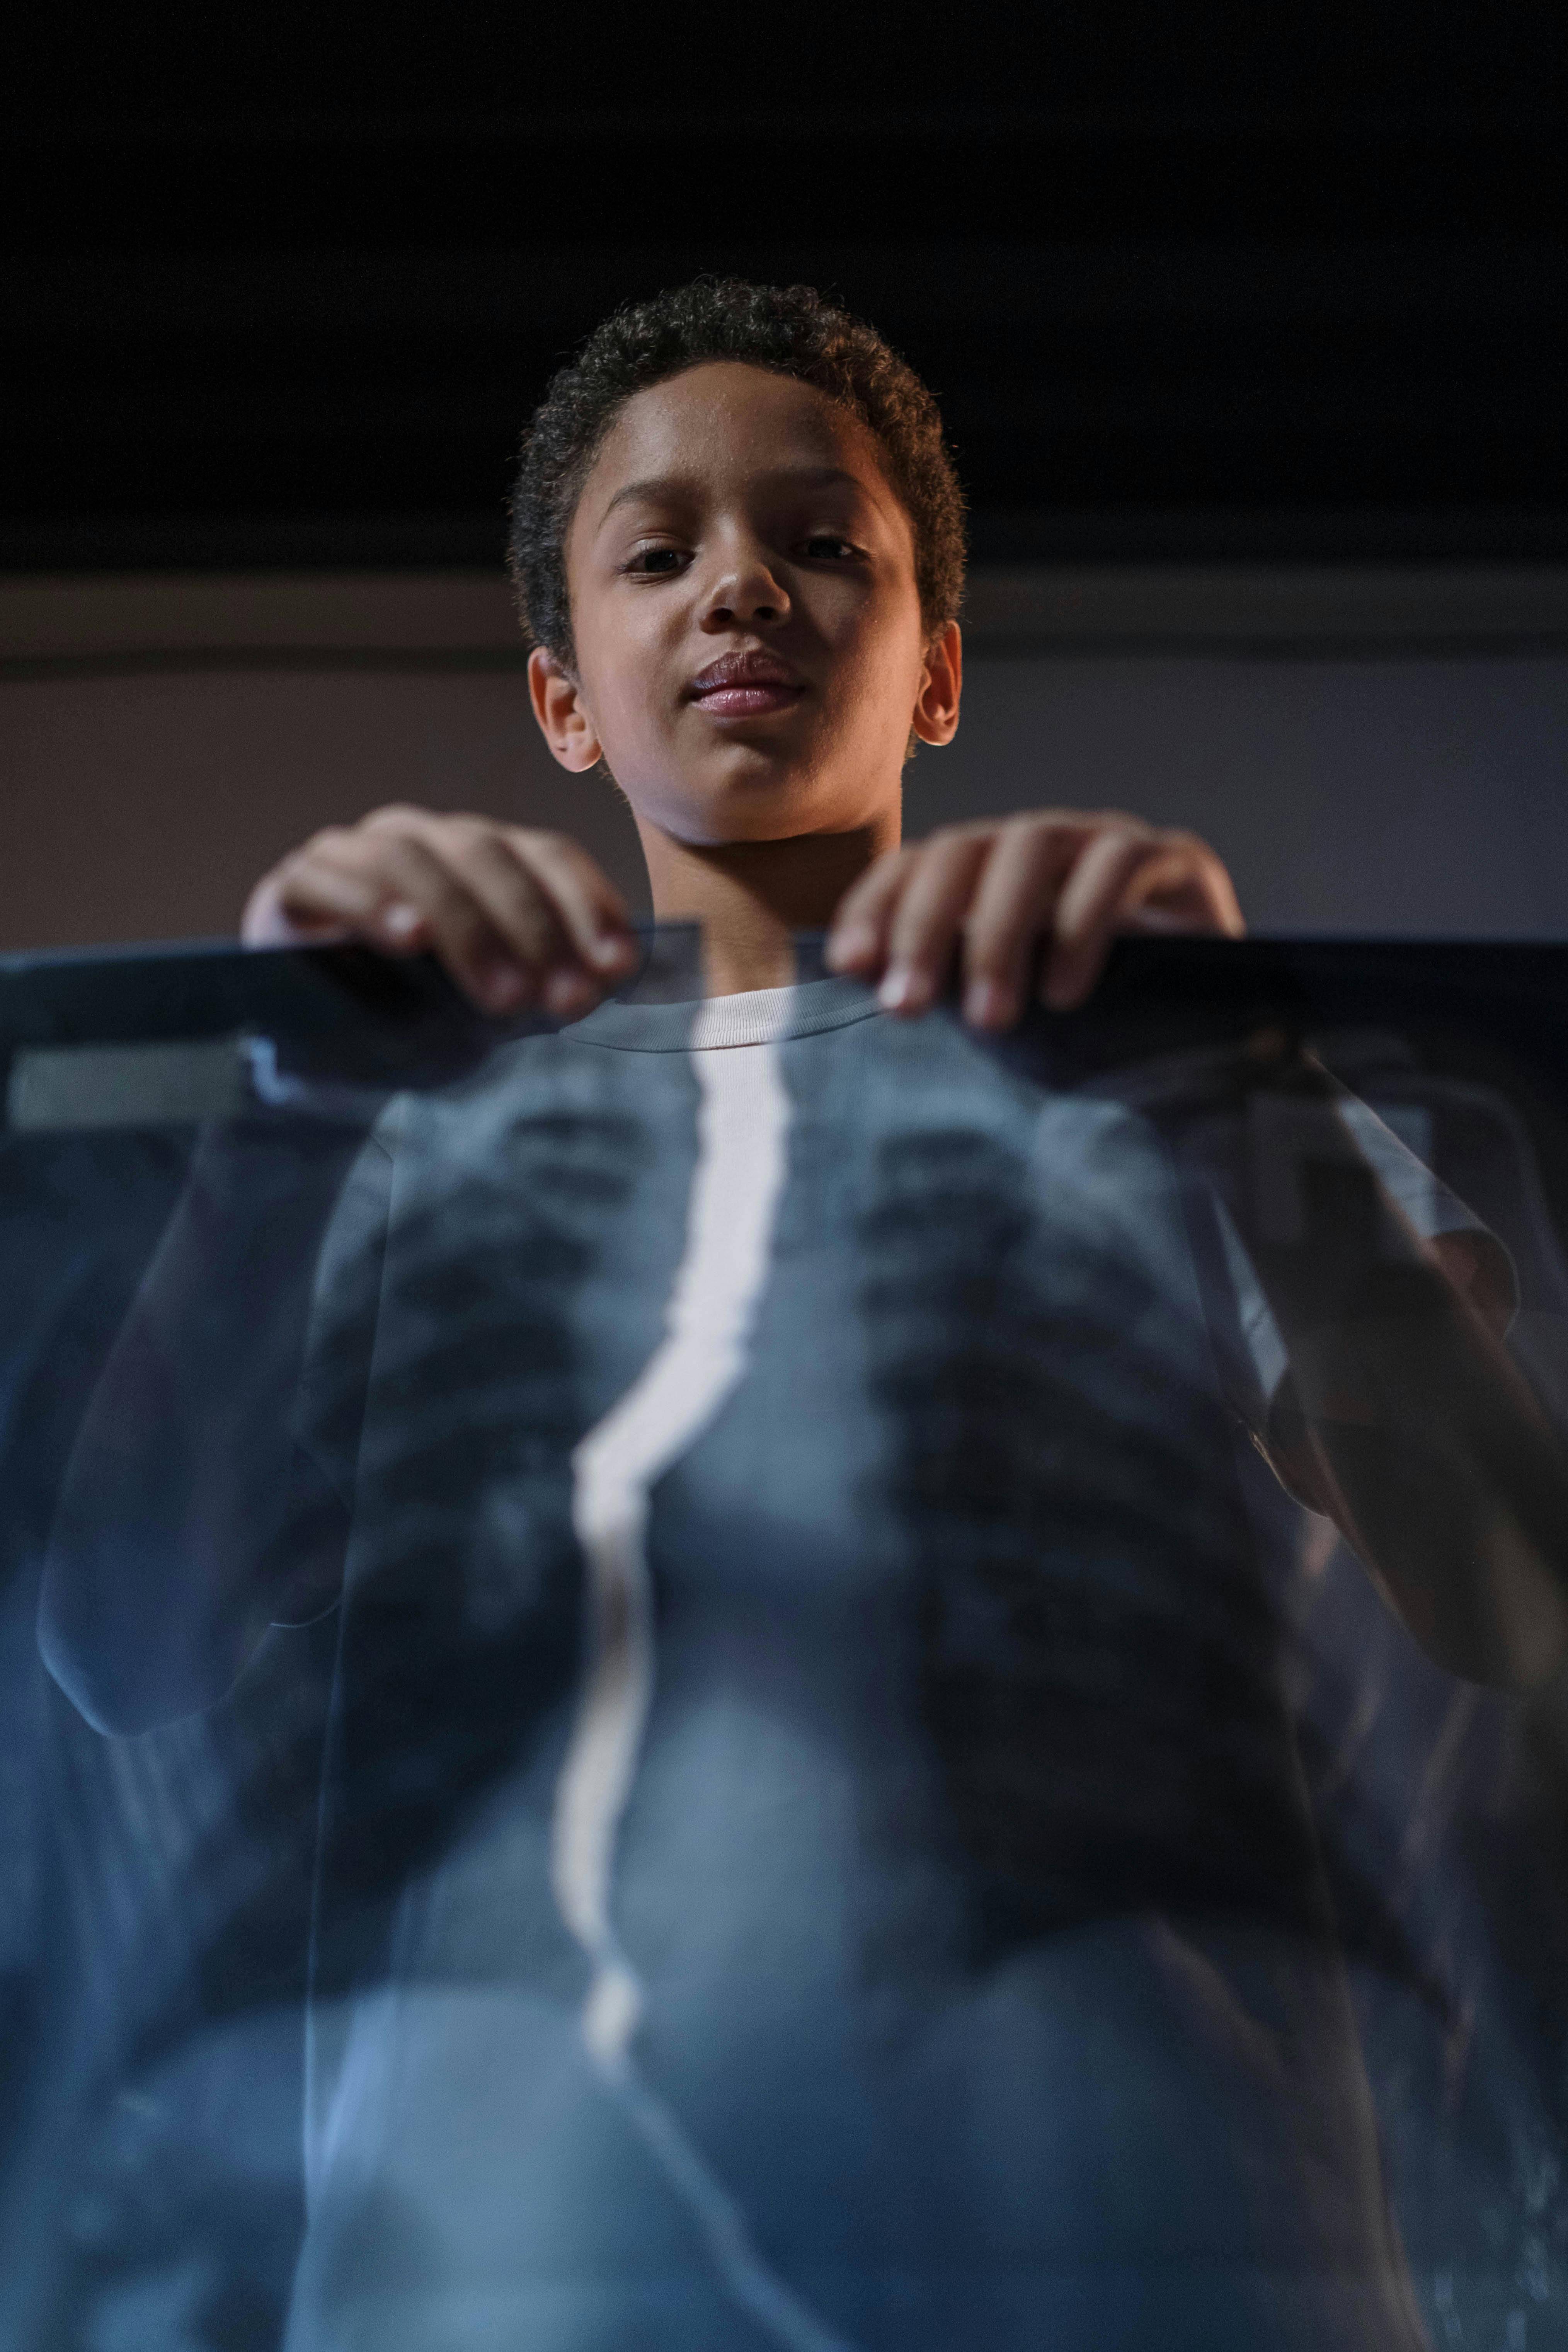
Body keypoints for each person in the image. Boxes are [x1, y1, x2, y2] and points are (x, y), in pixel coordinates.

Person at [43, 281, 1568, 2349]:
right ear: (563, 694)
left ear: (938, 667)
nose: (740, 584)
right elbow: (123, 1645)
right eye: (656, 551)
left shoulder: (1187, 1068)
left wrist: (1249, 1078)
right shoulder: (394, 1125)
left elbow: (1517, 1604)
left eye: (823, 541)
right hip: (513, 2282)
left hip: (1168, 2259)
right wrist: (283, 1104)